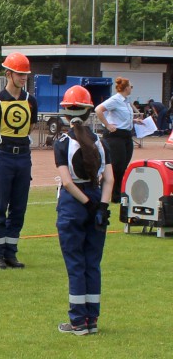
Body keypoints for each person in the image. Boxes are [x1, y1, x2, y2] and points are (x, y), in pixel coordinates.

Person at [54, 85, 113, 336]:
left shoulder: (62, 142)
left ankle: (77, 321)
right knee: (93, 263)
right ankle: (92, 319)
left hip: (73, 203)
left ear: (65, 113)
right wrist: (101, 207)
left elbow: (67, 181)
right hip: (97, 197)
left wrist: (87, 205)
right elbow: (109, 179)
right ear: (89, 111)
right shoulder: (101, 142)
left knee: (76, 264)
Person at [0, 52, 38, 269]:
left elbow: (30, 126)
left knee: (19, 207)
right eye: (20, 74)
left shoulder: (30, 100)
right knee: (0, 206)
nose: (23, 78)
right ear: (8, 74)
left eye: (26, 75)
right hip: (4, 156)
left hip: (23, 155)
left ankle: (11, 252)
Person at [94, 77, 143, 203]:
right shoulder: (115, 99)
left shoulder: (126, 101)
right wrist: (107, 124)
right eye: (131, 87)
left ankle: (117, 195)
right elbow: (98, 109)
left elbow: (122, 118)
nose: (131, 89)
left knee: (123, 166)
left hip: (126, 135)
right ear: (126, 88)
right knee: (116, 166)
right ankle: (105, 193)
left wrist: (134, 121)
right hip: (115, 136)